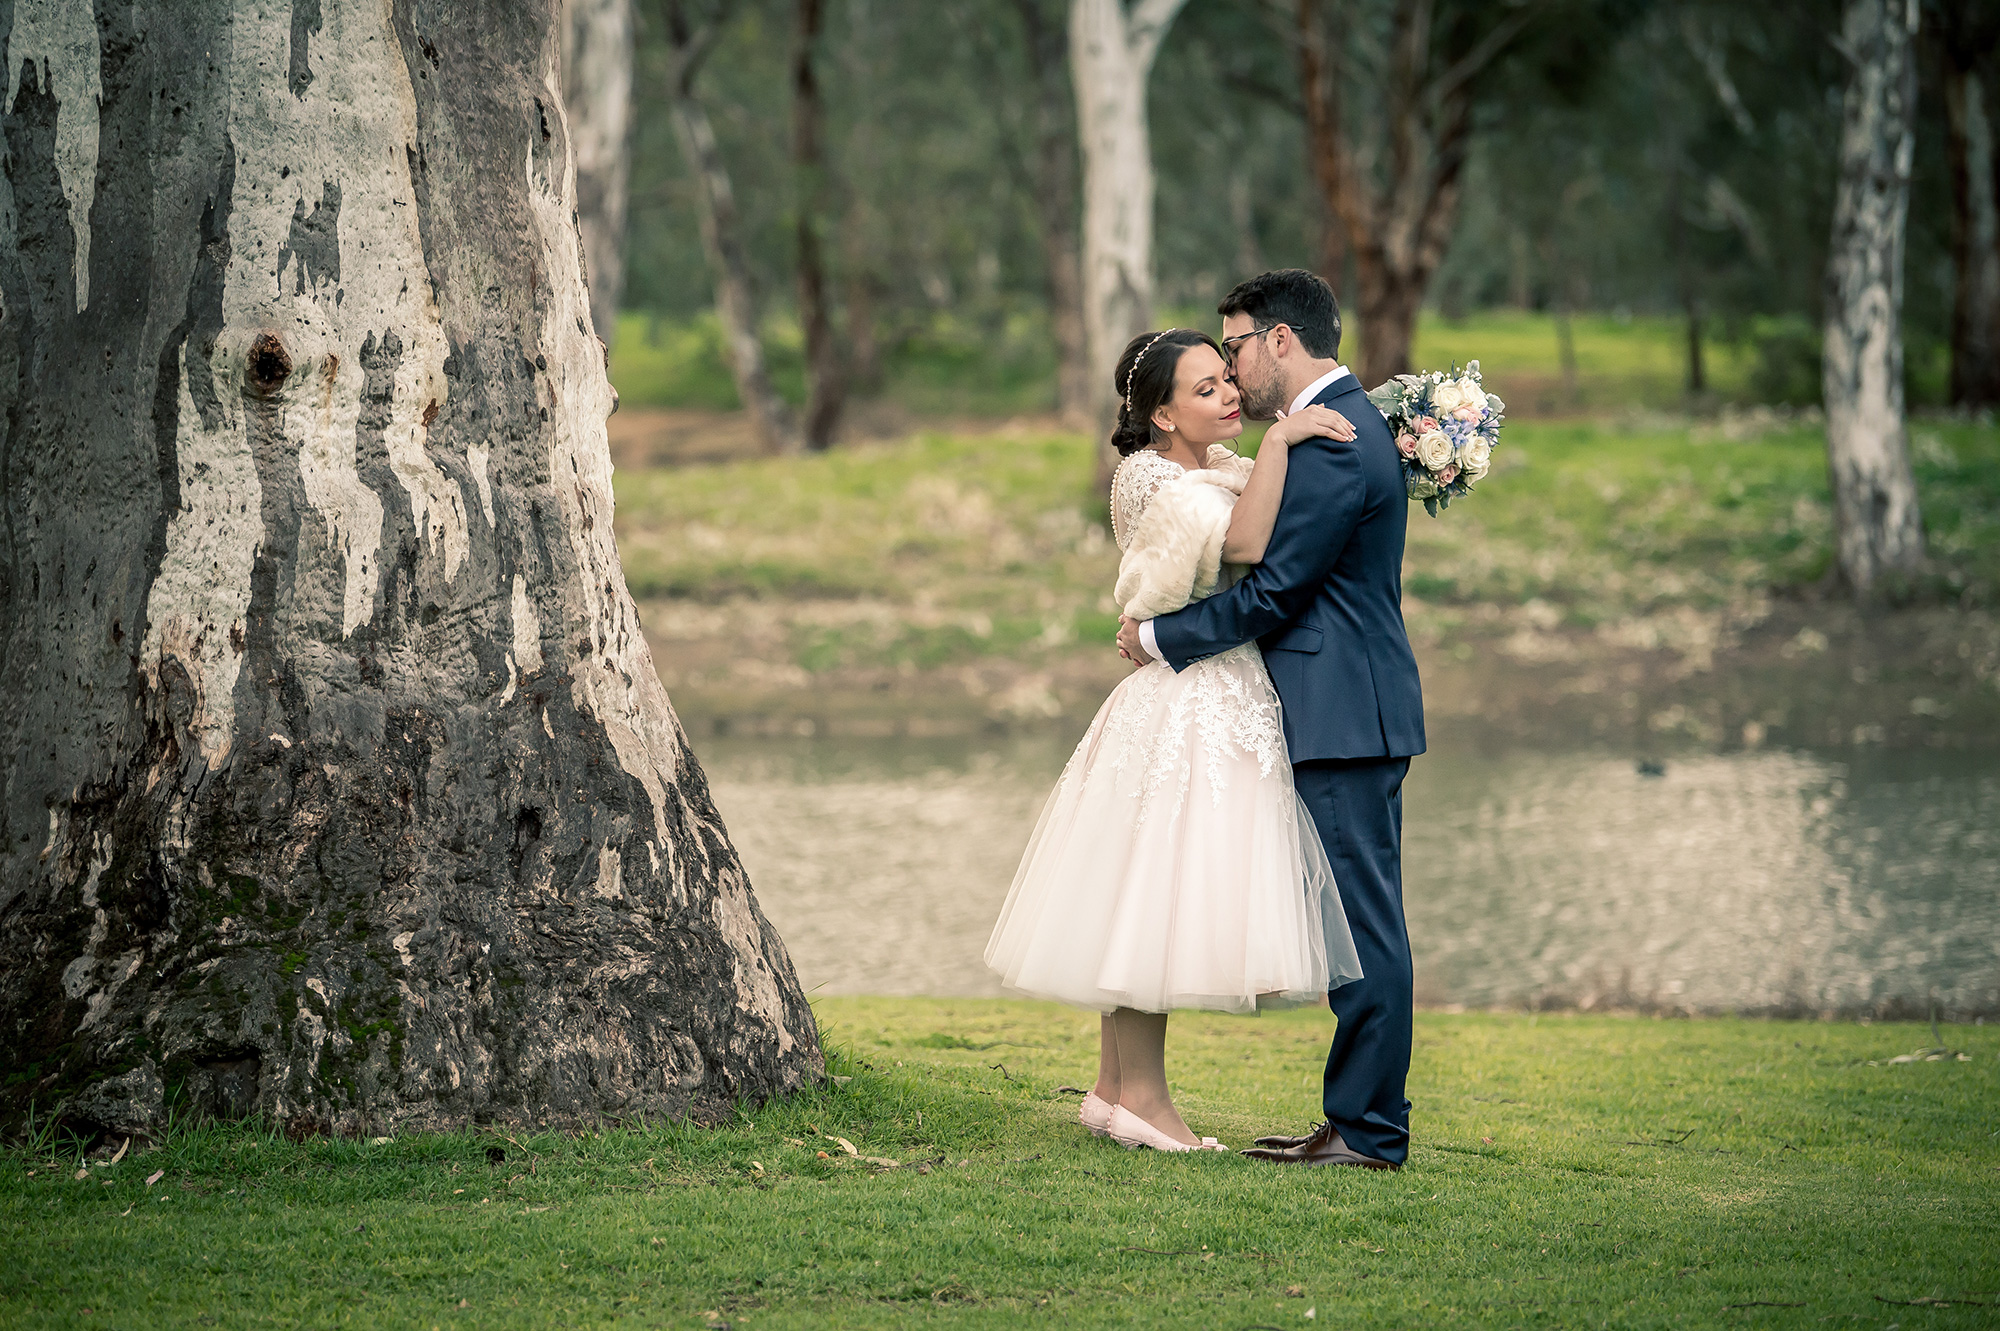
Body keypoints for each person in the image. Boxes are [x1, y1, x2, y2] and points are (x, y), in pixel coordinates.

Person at [984, 326, 1364, 1153]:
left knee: (1142, 896)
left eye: (1227, 379)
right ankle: (1148, 1104)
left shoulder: (1217, 469)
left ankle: (1112, 1089)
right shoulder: (1151, 477)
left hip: (1214, 690)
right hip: (1185, 699)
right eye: (1204, 389)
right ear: (1161, 414)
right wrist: (1286, 436)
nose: (1229, 394)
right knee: (1153, 902)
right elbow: (1246, 545)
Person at [1118, 269, 1427, 1171]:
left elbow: (1275, 588)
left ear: (1280, 340)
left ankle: (1369, 1133)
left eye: (1238, 347)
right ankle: (1359, 1120)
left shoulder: (1333, 441)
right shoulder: (1337, 428)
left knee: (1366, 930)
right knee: (1367, 923)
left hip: (1342, 712)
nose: (1234, 367)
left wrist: (1160, 636)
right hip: (1351, 706)